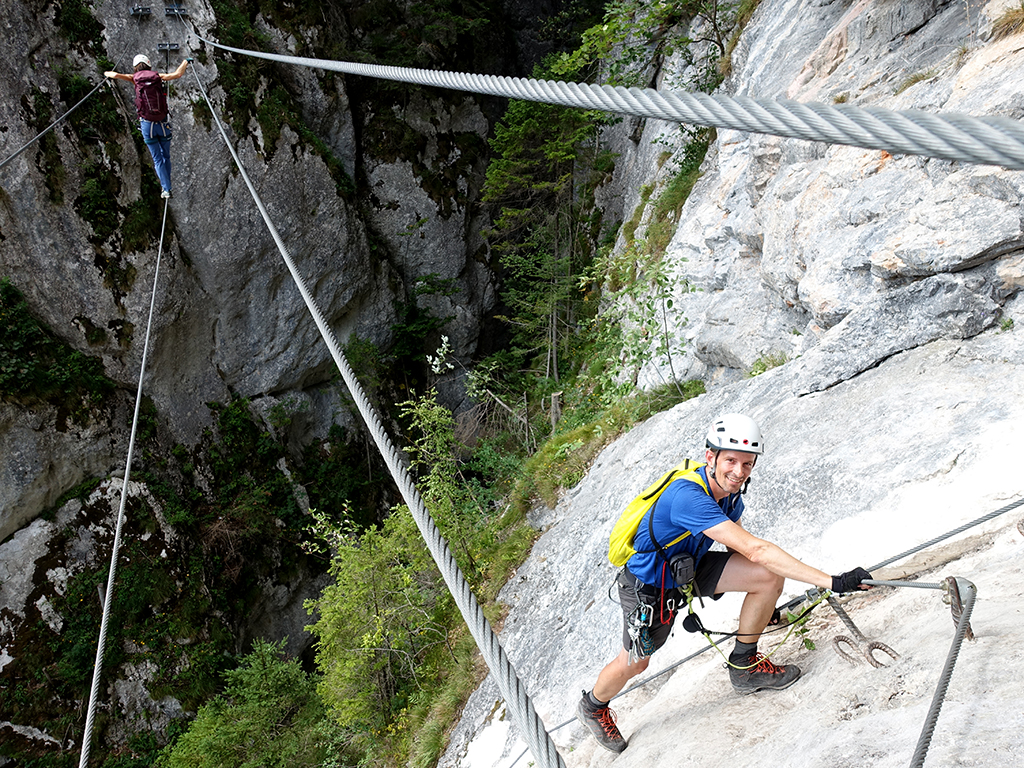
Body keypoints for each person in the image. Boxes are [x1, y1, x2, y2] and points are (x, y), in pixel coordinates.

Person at [576, 413, 873, 753]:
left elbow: (739, 548)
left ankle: (745, 667)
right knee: (637, 662)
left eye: (747, 464)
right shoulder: (688, 496)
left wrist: (766, 600)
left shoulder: (731, 495)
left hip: (689, 568)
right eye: (731, 460)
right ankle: (593, 706)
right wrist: (833, 581)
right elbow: (755, 549)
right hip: (650, 587)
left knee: (767, 577)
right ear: (710, 457)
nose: (739, 471)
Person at [104, 54, 189, 198]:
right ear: (149, 65)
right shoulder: (157, 77)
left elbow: (115, 75)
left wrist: (106, 73)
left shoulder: (134, 78)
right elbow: (178, 74)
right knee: (166, 156)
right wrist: (186, 61)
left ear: (135, 67)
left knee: (157, 159)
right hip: (162, 123)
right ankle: (167, 186)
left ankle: (166, 188)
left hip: (147, 126)